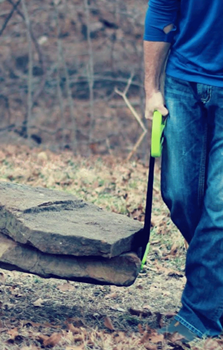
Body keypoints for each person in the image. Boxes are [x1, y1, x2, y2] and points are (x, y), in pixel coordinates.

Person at [144, 0, 223, 342]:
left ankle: (198, 317)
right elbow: (161, 11)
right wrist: (151, 89)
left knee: (220, 207)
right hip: (182, 81)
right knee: (179, 194)